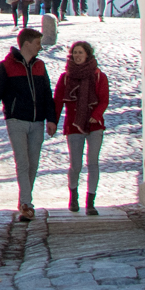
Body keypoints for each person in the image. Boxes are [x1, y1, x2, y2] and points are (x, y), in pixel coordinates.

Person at [0, 27, 56, 220]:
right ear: (26, 44)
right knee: (22, 162)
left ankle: (24, 199)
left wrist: (51, 119)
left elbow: (48, 94)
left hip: (37, 121)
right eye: (37, 43)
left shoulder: (40, 65)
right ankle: (27, 203)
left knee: (33, 164)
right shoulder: (6, 66)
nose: (40, 47)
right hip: (16, 119)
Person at [56, 39, 110, 215]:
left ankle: (91, 201)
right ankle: (73, 196)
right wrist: (53, 121)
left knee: (93, 163)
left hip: (95, 126)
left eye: (81, 52)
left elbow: (103, 99)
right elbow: (57, 101)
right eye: (75, 52)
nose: (77, 55)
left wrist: (96, 116)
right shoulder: (66, 78)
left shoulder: (98, 76)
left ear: (88, 54)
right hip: (73, 125)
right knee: (75, 165)